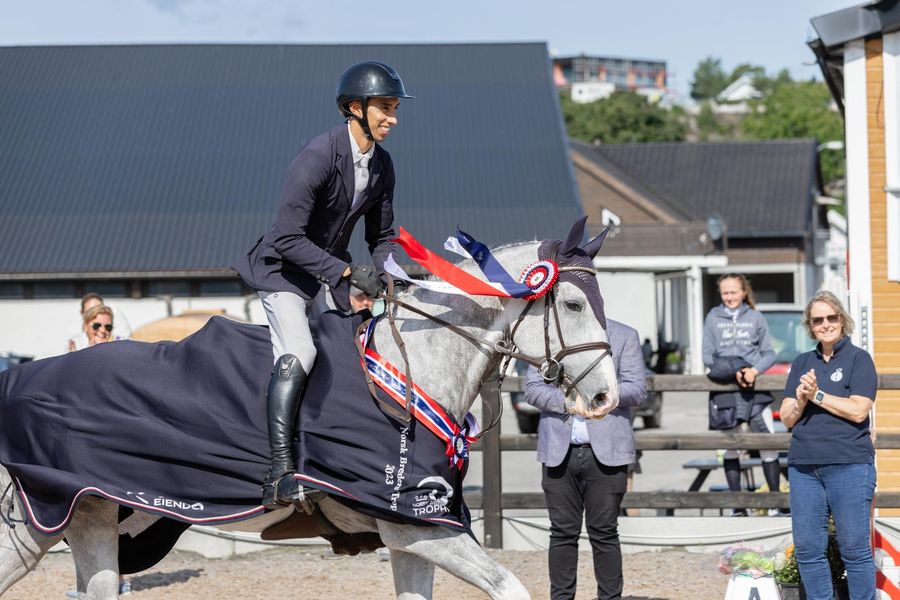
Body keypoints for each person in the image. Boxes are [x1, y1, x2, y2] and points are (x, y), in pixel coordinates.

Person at [231, 61, 414, 508]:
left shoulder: (382, 164)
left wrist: (397, 279)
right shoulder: (318, 156)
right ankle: (279, 472)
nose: (393, 117)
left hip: (324, 274)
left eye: (395, 108)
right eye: (385, 107)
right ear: (356, 108)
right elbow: (287, 237)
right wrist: (349, 273)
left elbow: (382, 238)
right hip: (282, 272)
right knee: (303, 351)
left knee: (353, 354)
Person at [523, 319, 646, 600]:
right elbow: (532, 388)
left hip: (608, 451)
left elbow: (637, 388)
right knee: (562, 532)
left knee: (605, 532)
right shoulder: (547, 339)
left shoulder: (624, 335)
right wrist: (569, 402)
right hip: (559, 450)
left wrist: (604, 396)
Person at [779, 291, 877, 600]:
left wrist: (817, 395)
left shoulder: (859, 359)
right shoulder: (802, 362)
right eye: (817, 320)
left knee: (855, 548)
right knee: (808, 549)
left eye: (831, 317)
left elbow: (858, 410)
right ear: (810, 326)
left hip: (849, 464)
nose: (825, 324)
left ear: (842, 320)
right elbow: (787, 417)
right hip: (804, 467)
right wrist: (801, 398)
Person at [64, 305, 131, 597]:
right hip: (86, 444)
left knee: (114, 517)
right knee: (84, 521)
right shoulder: (77, 354)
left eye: (107, 326)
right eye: (97, 326)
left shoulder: (115, 353)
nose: (103, 331)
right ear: (86, 327)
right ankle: (91, 582)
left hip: (107, 444)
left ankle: (119, 578)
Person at [702, 273, 780, 516]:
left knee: (768, 444)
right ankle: (738, 506)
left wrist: (753, 371)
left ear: (743, 292)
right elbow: (707, 356)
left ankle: (775, 503)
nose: (729, 297)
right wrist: (735, 370)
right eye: (725, 293)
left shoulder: (756, 317)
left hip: (754, 391)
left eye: (733, 292)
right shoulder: (713, 317)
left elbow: (769, 353)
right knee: (731, 447)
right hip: (725, 390)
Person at [66, 293, 131, 352]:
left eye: (108, 327)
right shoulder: (75, 343)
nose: (103, 330)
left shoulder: (119, 343)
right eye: (96, 325)